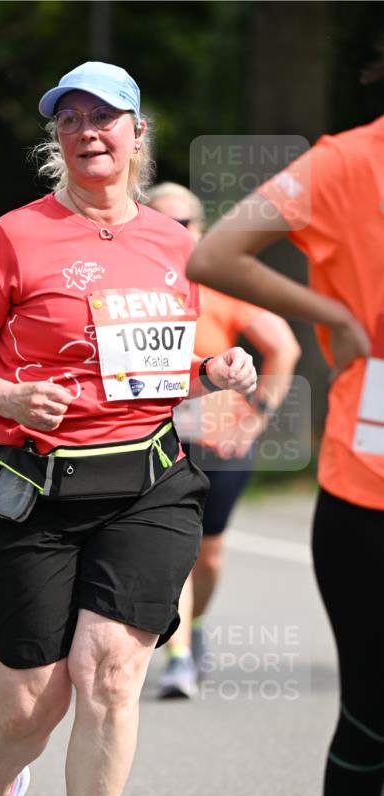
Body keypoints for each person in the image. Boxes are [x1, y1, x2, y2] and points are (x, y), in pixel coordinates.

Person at [0, 61, 256, 796]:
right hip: (31, 485)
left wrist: (218, 370)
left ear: (136, 133)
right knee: (29, 703)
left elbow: (164, 361)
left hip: (148, 481)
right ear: (57, 140)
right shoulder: (13, 236)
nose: (89, 131)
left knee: (110, 672)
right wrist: (6, 397)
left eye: (106, 117)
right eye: (70, 118)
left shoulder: (174, 243)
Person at [186, 117, 384, 796]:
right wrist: (330, 312)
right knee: (373, 719)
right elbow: (217, 253)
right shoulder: (345, 160)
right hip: (368, 484)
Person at [146, 182, 300, 698]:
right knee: (172, 551)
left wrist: (253, 420)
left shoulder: (220, 287)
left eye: (183, 223)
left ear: (201, 230)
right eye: (161, 222)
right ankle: (179, 657)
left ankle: (193, 628)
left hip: (219, 441)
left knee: (208, 555)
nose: (173, 232)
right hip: (154, 442)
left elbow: (284, 348)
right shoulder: (132, 291)